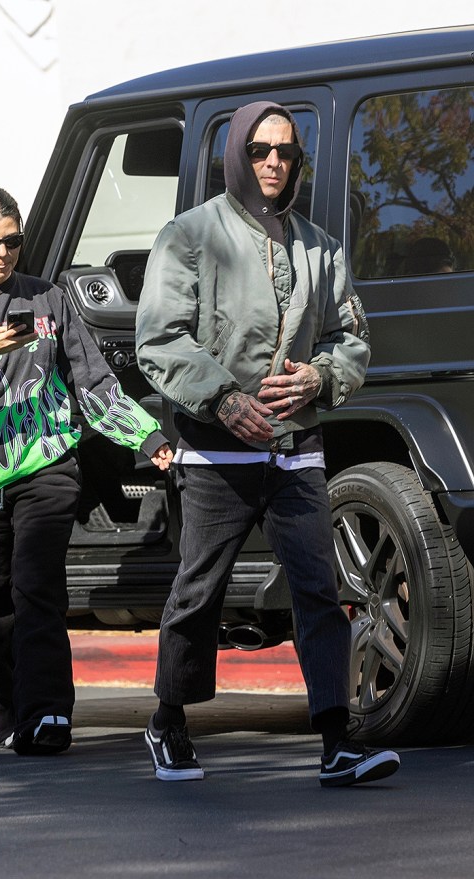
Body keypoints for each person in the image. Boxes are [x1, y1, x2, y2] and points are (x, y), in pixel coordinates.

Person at [135, 102, 400, 787]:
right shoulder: (189, 236)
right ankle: (168, 719)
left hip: (296, 447)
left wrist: (321, 373)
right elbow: (159, 339)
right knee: (200, 591)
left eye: (286, 151)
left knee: (320, 589)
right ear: (236, 155)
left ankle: (337, 740)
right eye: (259, 150)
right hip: (217, 451)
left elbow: (351, 336)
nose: (274, 162)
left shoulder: (320, 246)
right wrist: (223, 398)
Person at [0, 186, 173, 756]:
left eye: (12, 241)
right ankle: (9, 714)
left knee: (37, 587)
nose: (2, 254)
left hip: (45, 464)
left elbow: (94, 382)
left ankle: (51, 713)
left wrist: (148, 437)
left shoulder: (50, 300)